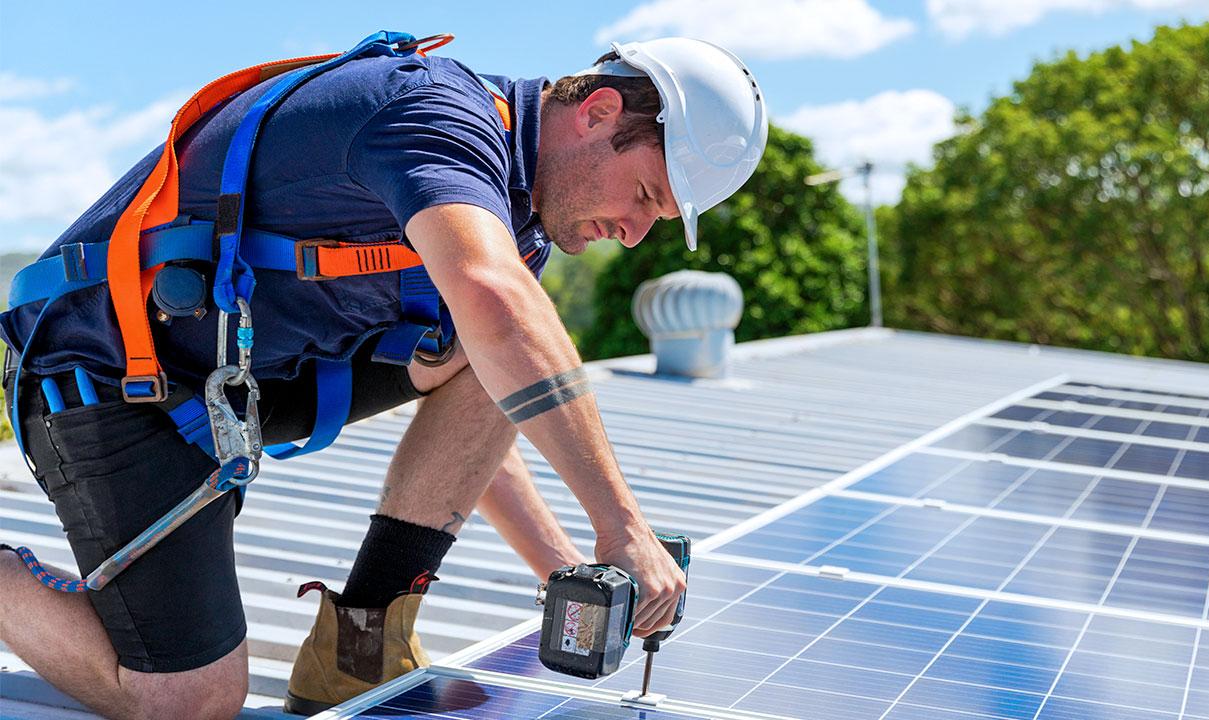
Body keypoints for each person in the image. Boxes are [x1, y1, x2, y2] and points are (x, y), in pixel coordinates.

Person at [0, 33, 767, 719]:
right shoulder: (431, 113)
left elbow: (495, 391)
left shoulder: (513, 223)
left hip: (226, 385)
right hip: (107, 376)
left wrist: (567, 570)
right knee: (189, 702)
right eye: (642, 196)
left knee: (492, 349)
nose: (632, 236)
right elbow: (501, 310)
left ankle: (354, 648)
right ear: (598, 111)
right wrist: (624, 527)